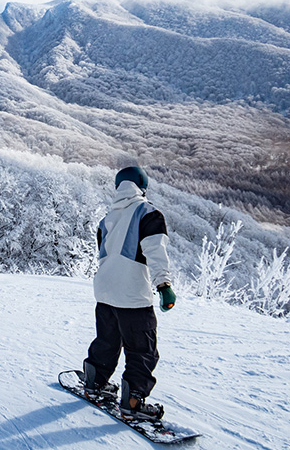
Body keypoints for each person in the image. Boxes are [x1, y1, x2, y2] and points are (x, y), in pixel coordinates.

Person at [82, 166, 177, 422]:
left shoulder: (107, 218)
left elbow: (103, 256)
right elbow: (155, 252)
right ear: (142, 185)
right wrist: (164, 286)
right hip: (132, 294)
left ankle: (94, 382)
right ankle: (133, 401)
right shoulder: (148, 213)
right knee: (142, 350)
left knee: (107, 341)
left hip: (104, 290)